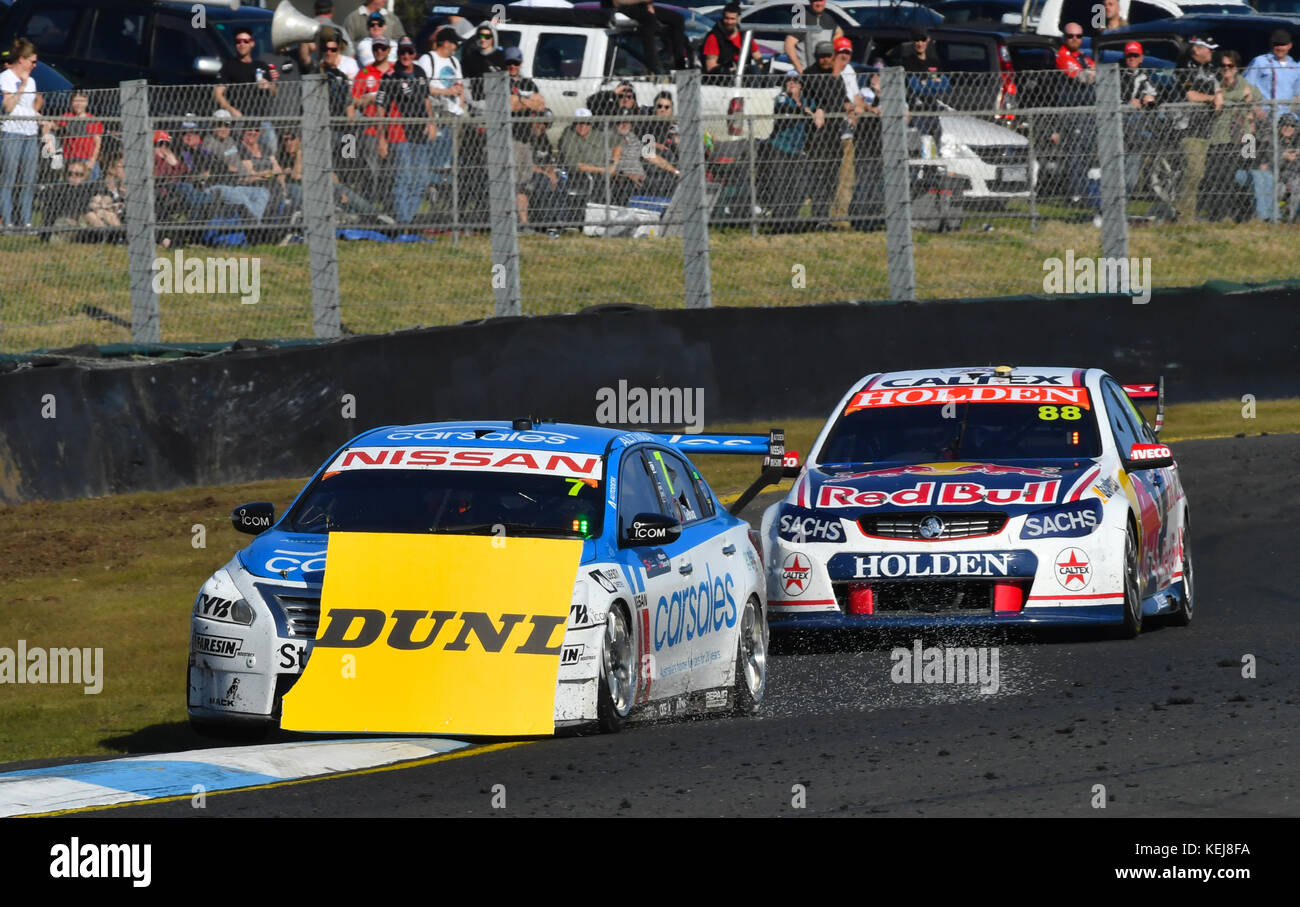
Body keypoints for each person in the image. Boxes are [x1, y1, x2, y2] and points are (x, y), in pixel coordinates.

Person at [381, 37, 437, 223]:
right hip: (400, 134)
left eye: (409, 52)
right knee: (403, 178)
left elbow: (426, 100)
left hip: (419, 133)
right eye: (402, 52)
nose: (406, 56)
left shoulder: (420, 71)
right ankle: (402, 222)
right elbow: (381, 109)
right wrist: (381, 138)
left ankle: (408, 220)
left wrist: (432, 122)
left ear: (414, 54)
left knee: (421, 180)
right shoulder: (391, 76)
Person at [761, 72, 820, 232]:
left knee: (799, 188)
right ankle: (779, 224)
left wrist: (818, 112)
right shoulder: (782, 97)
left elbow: (817, 110)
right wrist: (803, 110)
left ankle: (791, 220)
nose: (791, 83)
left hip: (798, 150)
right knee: (780, 186)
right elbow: (785, 108)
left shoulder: (808, 101)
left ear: (801, 85)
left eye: (795, 81)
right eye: (788, 80)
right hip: (779, 148)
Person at [1206, 50, 1259, 221]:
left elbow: (1256, 96)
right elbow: (1219, 100)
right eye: (1223, 66)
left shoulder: (1244, 84)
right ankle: (1219, 215)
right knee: (1218, 177)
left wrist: (1237, 98)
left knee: (1244, 174)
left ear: (1236, 68)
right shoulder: (1217, 83)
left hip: (1245, 138)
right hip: (1220, 137)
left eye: (1230, 66)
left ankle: (1243, 213)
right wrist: (1239, 96)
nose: (1226, 69)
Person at [1175, 36, 1222, 221]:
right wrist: (1211, 99)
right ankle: (1184, 217)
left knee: (1202, 174)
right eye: (1208, 48)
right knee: (1194, 172)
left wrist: (1219, 96)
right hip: (1188, 127)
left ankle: (1196, 214)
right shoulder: (1184, 67)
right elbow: (1190, 95)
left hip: (1208, 127)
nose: (1211, 52)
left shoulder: (1211, 69)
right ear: (1197, 49)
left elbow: (1218, 90)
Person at [801, 41, 848, 227]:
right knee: (819, 174)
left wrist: (849, 107)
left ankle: (826, 217)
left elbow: (841, 97)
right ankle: (818, 218)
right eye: (822, 56)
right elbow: (824, 96)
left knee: (832, 176)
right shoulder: (810, 74)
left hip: (835, 131)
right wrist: (835, 76)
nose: (826, 60)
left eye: (829, 56)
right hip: (818, 133)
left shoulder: (836, 74)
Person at [213, 28, 279, 156]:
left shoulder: (261, 66)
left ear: (252, 43)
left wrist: (269, 86)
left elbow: (274, 93)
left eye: (245, 41)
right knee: (241, 154)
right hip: (240, 121)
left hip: (262, 120)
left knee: (270, 152)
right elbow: (217, 93)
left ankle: (268, 174)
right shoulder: (229, 66)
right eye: (238, 41)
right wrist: (231, 110)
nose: (242, 44)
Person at [1051, 23, 1096, 203]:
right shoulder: (1062, 56)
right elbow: (1083, 78)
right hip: (1072, 111)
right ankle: (1076, 194)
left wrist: (1093, 73)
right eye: (1071, 36)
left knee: (1086, 152)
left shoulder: (1083, 57)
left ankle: (1086, 191)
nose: (1075, 39)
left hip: (1088, 112)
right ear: (1065, 37)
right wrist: (1092, 74)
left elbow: (1094, 72)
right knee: (1076, 153)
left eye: (1078, 36)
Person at [1, 39, 42, 230]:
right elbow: (8, 107)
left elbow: (29, 107)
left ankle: (25, 221)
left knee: (27, 179)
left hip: (30, 132)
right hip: (11, 131)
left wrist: (40, 116)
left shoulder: (32, 80)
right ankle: (7, 221)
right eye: (32, 61)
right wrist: (22, 86)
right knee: (8, 177)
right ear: (21, 60)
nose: (34, 66)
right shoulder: (6, 78)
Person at [203, 110, 270, 221]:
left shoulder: (230, 141)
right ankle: (255, 227)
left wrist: (252, 176)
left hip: (235, 183)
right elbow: (227, 166)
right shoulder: (209, 142)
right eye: (220, 124)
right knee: (242, 198)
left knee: (262, 193)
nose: (224, 128)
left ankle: (254, 224)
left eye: (227, 125)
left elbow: (237, 164)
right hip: (218, 185)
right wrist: (240, 172)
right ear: (213, 125)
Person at [353, 34, 395, 209]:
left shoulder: (395, 70)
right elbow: (355, 101)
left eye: (382, 48)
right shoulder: (364, 72)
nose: (379, 51)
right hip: (370, 129)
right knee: (372, 171)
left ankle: (390, 206)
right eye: (376, 48)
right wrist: (371, 98)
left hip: (394, 129)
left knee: (393, 171)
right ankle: (369, 208)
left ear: (388, 50)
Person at [603, 0, 689, 74]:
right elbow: (617, 2)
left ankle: (679, 64)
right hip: (619, 6)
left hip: (639, 5)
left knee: (678, 19)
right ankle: (653, 64)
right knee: (649, 19)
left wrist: (649, 5)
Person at [609, 115, 678, 204]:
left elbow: (651, 157)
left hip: (641, 178)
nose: (624, 125)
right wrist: (628, 175)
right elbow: (607, 167)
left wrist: (675, 171)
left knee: (670, 182)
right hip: (624, 180)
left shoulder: (631, 137)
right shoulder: (610, 138)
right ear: (615, 123)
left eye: (627, 122)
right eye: (620, 122)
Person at [1119, 41, 1157, 194]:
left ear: (1141, 58)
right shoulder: (1118, 73)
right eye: (1129, 55)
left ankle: (1125, 196)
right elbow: (1109, 97)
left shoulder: (1144, 76)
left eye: (1135, 55)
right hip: (1118, 125)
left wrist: (1149, 98)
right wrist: (1128, 103)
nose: (1132, 59)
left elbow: (1154, 93)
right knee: (1118, 164)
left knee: (1132, 170)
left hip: (1136, 127)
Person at [558, 107, 609, 211]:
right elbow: (574, 164)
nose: (582, 126)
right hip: (579, 175)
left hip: (603, 171)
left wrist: (611, 166)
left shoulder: (598, 135)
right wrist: (602, 170)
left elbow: (608, 155)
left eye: (586, 123)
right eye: (579, 123)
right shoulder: (569, 135)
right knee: (599, 182)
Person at [1244, 29, 1300, 123]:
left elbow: (1296, 95)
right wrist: (1255, 109)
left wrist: (1292, 115)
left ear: (1290, 45)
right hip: (1264, 119)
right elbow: (1244, 87)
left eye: (1283, 44)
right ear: (1271, 45)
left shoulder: (1295, 67)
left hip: (1286, 121)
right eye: (1276, 44)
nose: (1279, 48)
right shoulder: (1260, 62)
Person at [45, 89, 103, 180]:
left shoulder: (92, 120)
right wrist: (49, 143)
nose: (79, 104)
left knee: (92, 181)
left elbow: (98, 142)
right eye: (76, 101)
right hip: (70, 158)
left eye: (82, 101)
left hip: (87, 158)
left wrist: (92, 160)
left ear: (86, 102)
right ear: (71, 102)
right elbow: (49, 126)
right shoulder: (67, 117)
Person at [903, 29, 947, 146]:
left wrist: (925, 82)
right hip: (916, 110)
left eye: (922, 40)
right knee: (922, 141)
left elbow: (945, 86)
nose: (920, 43)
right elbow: (915, 86)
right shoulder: (908, 62)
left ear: (927, 41)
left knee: (937, 139)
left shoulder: (934, 62)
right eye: (917, 40)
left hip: (933, 108)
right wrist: (933, 83)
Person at [701, 3, 762, 76]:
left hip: (745, 78)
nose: (729, 22)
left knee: (755, 70)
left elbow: (758, 56)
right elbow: (711, 68)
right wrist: (735, 70)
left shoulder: (744, 37)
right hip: (722, 79)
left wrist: (759, 67)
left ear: (738, 19)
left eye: (732, 19)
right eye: (727, 18)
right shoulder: (713, 37)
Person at [784, 0, 842, 75]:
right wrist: (800, 71)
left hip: (825, 74)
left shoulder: (829, 19)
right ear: (810, 2)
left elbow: (839, 32)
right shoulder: (802, 18)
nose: (819, 4)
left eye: (821, 0)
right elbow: (789, 45)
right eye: (815, 1)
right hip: (807, 74)